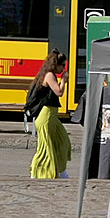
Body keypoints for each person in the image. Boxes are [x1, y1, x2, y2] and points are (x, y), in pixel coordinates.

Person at [28, 50, 72, 179]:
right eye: (62, 65)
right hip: (46, 114)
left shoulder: (49, 74)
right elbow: (59, 92)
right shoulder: (49, 75)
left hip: (52, 115)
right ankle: (35, 173)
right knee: (45, 147)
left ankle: (62, 171)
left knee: (62, 140)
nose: (63, 68)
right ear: (56, 64)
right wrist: (63, 80)